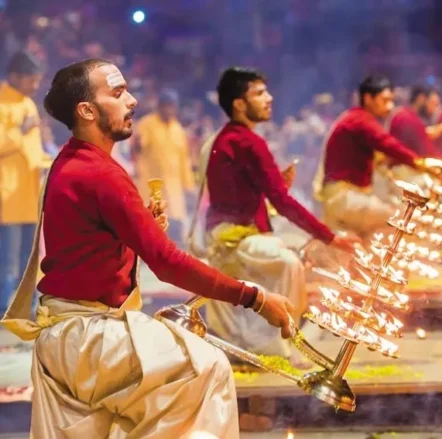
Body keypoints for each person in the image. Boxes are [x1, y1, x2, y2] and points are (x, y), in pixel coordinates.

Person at [0, 58, 295, 438]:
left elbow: (87, 249)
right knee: (207, 367)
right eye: (118, 93)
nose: (133, 101)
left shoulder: (74, 160)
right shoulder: (99, 173)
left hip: (71, 335)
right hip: (88, 338)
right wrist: (254, 297)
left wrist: (136, 232)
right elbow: (168, 263)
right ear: (87, 110)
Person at [200, 67, 360, 367]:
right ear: (239, 104)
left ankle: (275, 337)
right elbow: (282, 203)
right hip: (234, 239)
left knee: (296, 253)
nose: (269, 98)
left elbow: (252, 195)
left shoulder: (232, 138)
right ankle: (278, 345)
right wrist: (332, 237)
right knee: (289, 263)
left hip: (239, 232)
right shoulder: (247, 142)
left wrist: (276, 188)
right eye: (259, 93)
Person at [313, 75, 436, 238]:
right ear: (368, 98)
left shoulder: (357, 119)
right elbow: (388, 144)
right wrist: (422, 164)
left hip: (346, 197)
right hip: (345, 198)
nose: (390, 106)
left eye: (391, 100)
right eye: (384, 100)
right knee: (399, 221)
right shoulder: (361, 120)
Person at [0, 51, 46, 317]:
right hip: (7, 198)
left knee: (29, 262)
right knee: (7, 262)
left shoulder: (27, 103)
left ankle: (24, 310)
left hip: (29, 196)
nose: (36, 85)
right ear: (15, 76)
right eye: (32, 79)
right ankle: (5, 310)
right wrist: (21, 131)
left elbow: (33, 150)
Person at [134, 88, 195, 245]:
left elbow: (184, 159)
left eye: (172, 106)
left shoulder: (178, 129)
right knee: (153, 224)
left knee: (175, 225)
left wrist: (188, 185)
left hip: (174, 189)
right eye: (166, 106)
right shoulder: (147, 124)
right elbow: (138, 147)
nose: (169, 109)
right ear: (159, 106)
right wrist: (137, 144)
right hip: (152, 186)